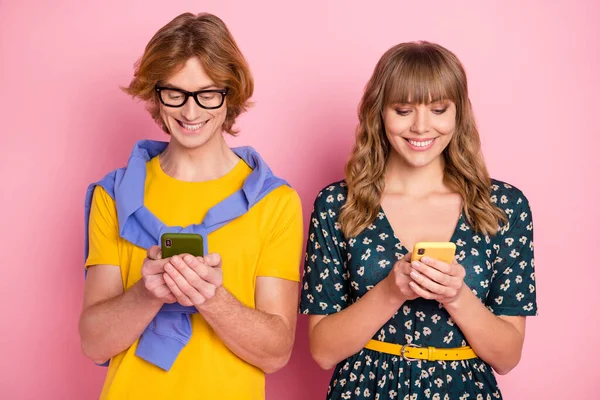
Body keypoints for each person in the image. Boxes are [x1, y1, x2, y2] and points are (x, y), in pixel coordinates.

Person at [79, 12, 303, 400]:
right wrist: (148, 293)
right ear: (155, 93)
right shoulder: (114, 195)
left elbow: (276, 352)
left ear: (230, 94)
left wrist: (211, 297)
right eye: (175, 94)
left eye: (208, 94)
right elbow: (94, 343)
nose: (191, 111)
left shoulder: (275, 202)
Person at [300, 41, 537, 399]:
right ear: (379, 112)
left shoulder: (502, 206)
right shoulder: (338, 205)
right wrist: (391, 291)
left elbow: (507, 356)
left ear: (459, 114)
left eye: (439, 109)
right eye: (403, 110)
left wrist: (457, 297)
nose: (422, 127)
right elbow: (322, 350)